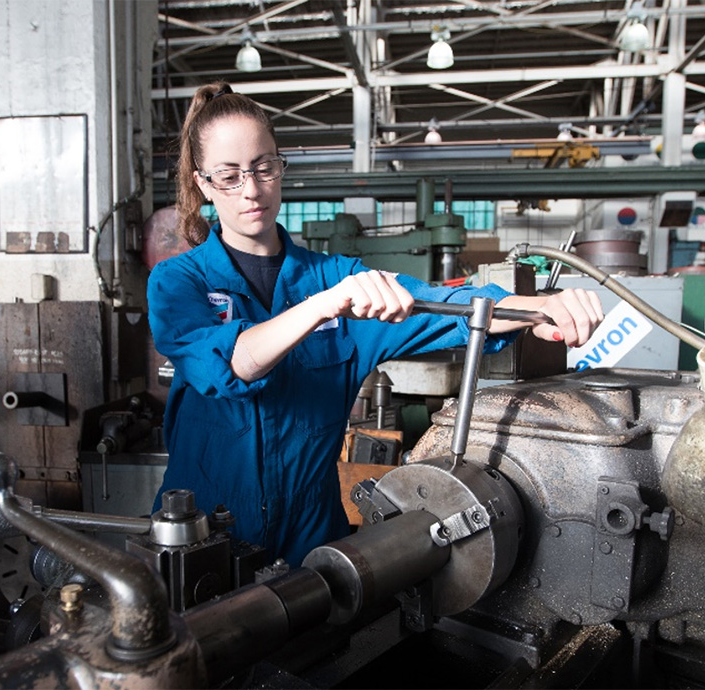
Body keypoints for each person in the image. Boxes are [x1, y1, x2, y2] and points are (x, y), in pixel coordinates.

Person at [147, 82, 604, 567]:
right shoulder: (178, 281)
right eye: (230, 176)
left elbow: (437, 305)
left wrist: (532, 307)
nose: (253, 190)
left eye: (264, 168)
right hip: (203, 537)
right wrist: (322, 306)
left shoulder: (333, 277)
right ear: (202, 183)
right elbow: (232, 365)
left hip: (311, 536)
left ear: (280, 166)